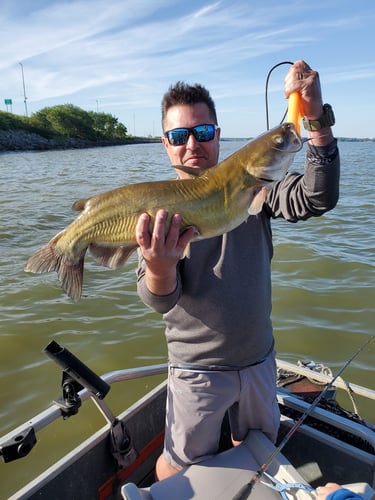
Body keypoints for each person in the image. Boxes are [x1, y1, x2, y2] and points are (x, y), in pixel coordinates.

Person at [135, 60, 340, 480]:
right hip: (197, 370)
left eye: (203, 131)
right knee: (178, 470)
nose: (192, 142)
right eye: (179, 135)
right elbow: (159, 299)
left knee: (260, 459)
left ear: (218, 135)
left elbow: (317, 197)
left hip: (259, 360)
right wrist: (159, 265)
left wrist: (316, 119)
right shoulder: (158, 208)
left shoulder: (256, 187)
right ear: (165, 144)